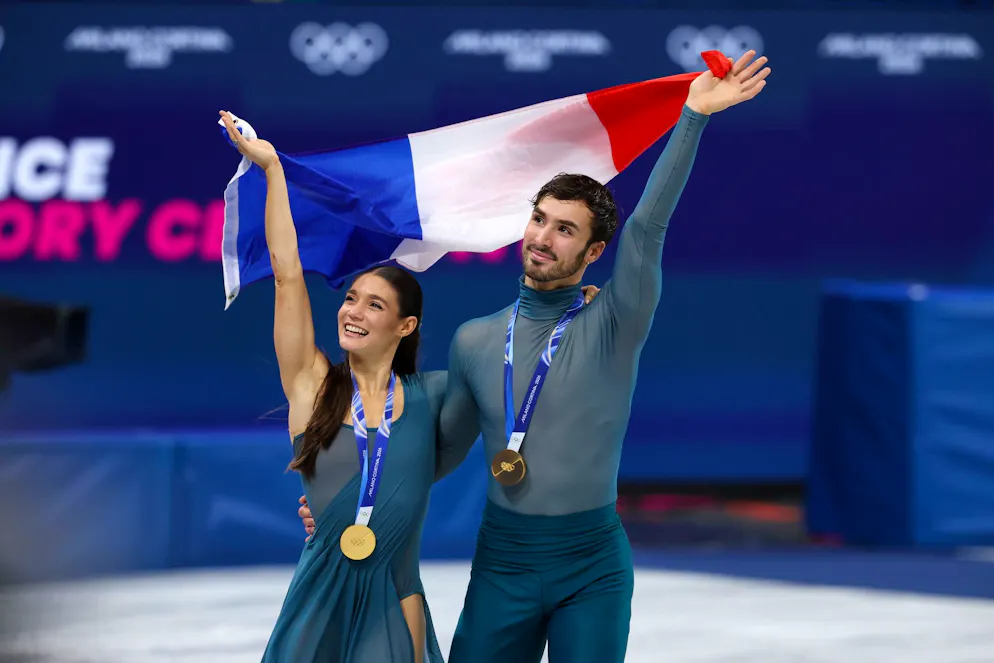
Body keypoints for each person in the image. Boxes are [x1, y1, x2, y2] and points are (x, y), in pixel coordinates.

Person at [298, 50, 771, 662]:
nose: (543, 238)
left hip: (592, 565)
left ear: (594, 251)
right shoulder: (474, 340)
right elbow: (433, 456)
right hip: (504, 563)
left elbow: (648, 226)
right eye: (539, 219)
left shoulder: (614, 321)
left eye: (565, 230)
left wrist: (694, 117)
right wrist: (345, 502)